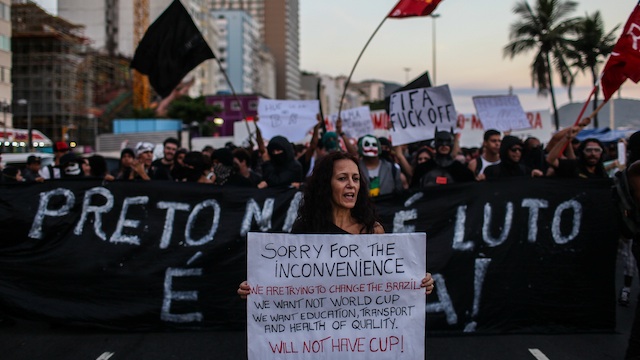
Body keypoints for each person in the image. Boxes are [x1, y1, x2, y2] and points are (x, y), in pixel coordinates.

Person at [237, 151, 434, 298]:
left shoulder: (372, 231)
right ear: (325, 185)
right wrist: (257, 289)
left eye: (356, 179)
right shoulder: (305, 230)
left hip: (363, 337)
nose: (351, 184)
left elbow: (387, 282)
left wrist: (417, 282)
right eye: (342, 178)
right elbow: (288, 283)